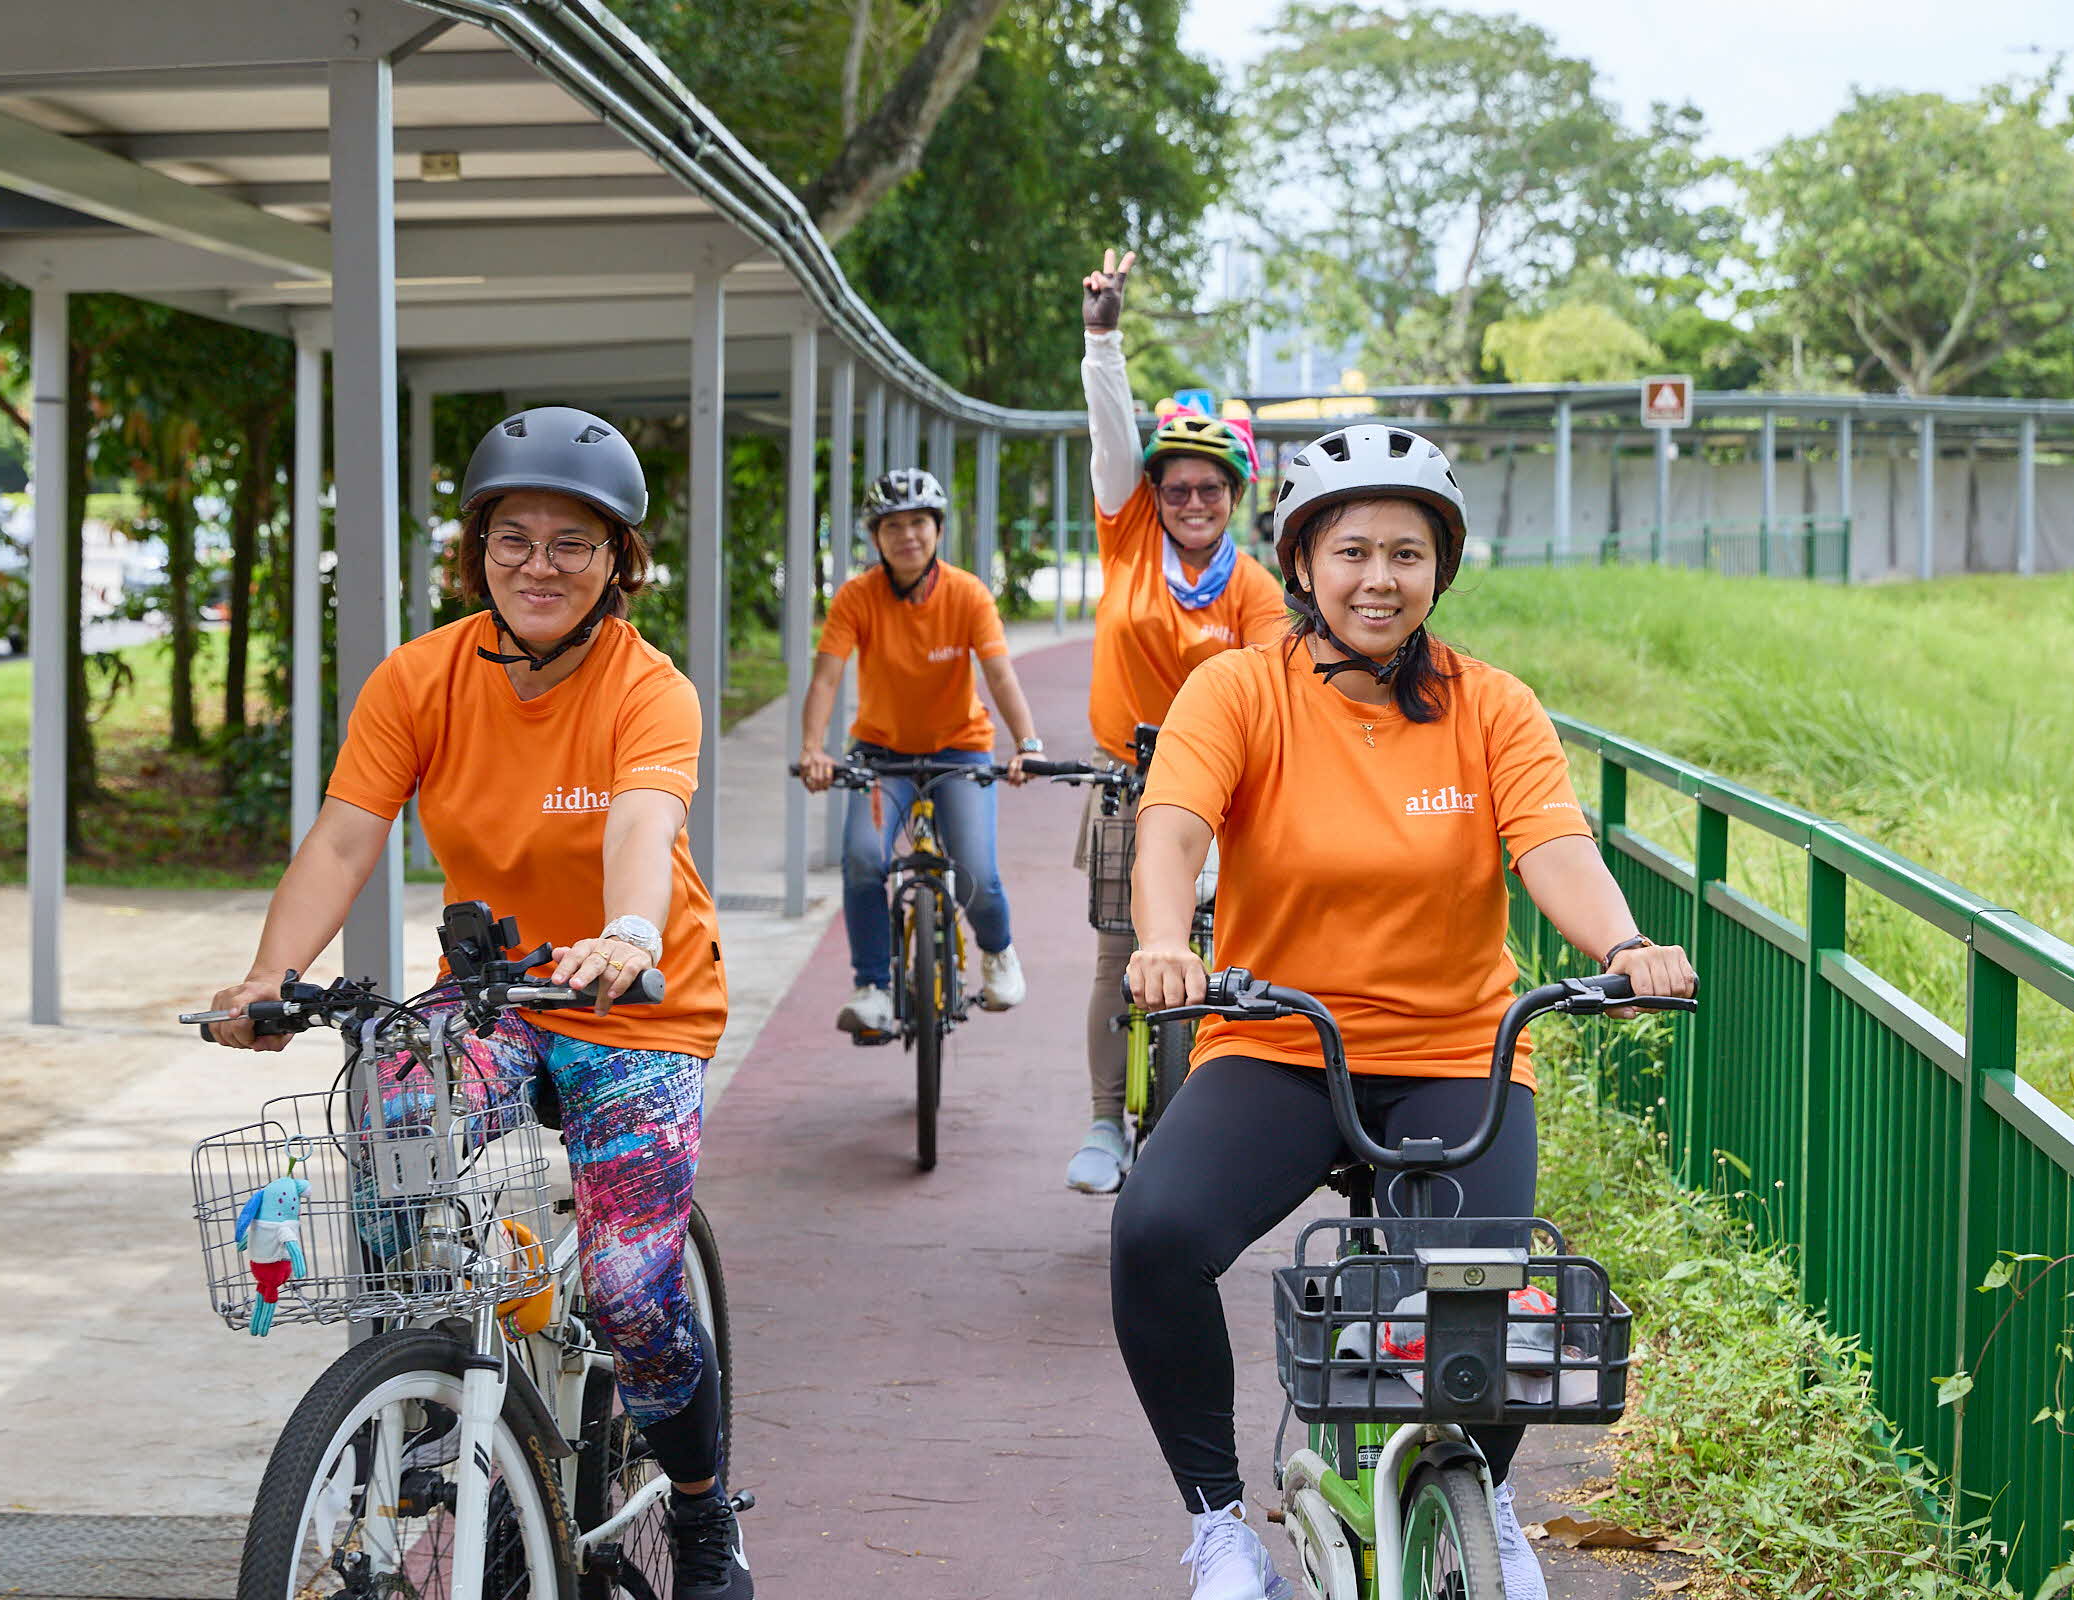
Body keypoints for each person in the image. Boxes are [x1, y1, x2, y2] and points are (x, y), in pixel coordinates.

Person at [1107, 421, 1697, 1600]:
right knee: (1156, 1234)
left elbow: (1553, 845)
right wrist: (1166, 942)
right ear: (1303, 563)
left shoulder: (1492, 706)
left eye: (1408, 554)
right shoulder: (1239, 689)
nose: (1379, 579)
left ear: (1442, 569)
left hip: (1455, 1054)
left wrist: (1626, 944)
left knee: (1487, 1307)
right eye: (1353, 551)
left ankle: (1481, 1498)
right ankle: (1220, 1523)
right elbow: (1171, 829)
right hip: (1281, 1042)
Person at [203, 407, 754, 1600]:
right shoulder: (421, 678)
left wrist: (626, 934)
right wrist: (269, 976)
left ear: (619, 560)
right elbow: (345, 837)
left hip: (635, 1001)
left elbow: (641, 824)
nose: (539, 565)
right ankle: (437, 1403)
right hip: (497, 991)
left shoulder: (649, 688)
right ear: (478, 552)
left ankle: (704, 1508)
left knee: (630, 1292)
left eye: (572, 542)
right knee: (389, 1111)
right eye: (514, 539)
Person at [1069, 247, 1289, 1194]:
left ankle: (1208, 1117)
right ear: (1153, 497)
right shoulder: (1127, 540)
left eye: (1210, 489)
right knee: (1121, 955)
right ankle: (1101, 1124)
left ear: (1234, 498)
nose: (1192, 502)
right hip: (1127, 779)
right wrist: (1103, 339)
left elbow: (1281, 691)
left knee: (1228, 957)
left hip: (1223, 796)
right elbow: (1109, 436)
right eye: (1176, 489)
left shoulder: (1258, 591)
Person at [797, 468, 1043, 1034]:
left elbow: (1000, 675)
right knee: (863, 859)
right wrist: (813, 749)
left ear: (938, 530)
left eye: (918, 523)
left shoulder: (967, 593)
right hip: (881, 756)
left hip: (961, 752)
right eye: (892, 526)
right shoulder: (857, 597)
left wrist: (1027, 745)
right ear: (875, 537)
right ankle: (873, 987)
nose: (907, 536)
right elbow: (826, 678)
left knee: (976, 868)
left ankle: (997, 951)